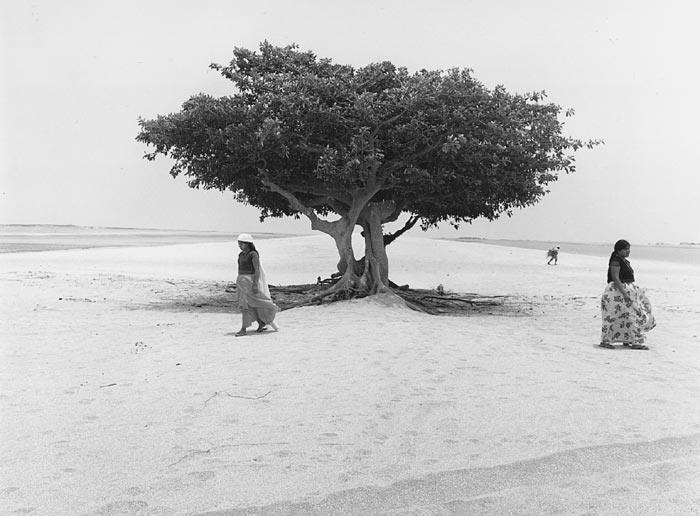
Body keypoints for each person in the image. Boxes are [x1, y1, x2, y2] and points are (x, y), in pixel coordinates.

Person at [599, 239, 655, 350]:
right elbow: (615, 278)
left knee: (630, 315)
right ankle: (611, 340)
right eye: (626, 249)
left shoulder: (624, 261)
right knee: (617, 316)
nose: (628, 251)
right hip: (617, 293)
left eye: (629, 248)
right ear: (619, 250)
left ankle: (628, 339)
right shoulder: (616, 261)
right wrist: (625, 294)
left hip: (626, 290)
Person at [234, 234, 279, 337]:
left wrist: (255, 284)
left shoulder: (253, 254)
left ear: (248, 244)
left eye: (242, 243)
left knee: (248, 303)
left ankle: (243, 329)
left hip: (249, 282)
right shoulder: (241, 255)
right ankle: (260, 322)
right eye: (239, 243)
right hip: (241, 282)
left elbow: (257, 269)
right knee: (249, 304)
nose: (240, 245)